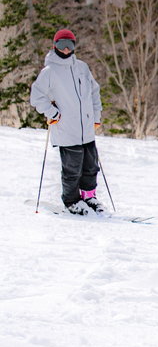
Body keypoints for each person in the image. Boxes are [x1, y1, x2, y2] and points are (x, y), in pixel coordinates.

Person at [30, 29, 105, 215]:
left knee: (90, 166)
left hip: (86, 128)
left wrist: (96, 117)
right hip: (66, 129)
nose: (65, 49)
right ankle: (71, 201)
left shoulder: (82, 67)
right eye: (61, 45)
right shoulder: (49, 72)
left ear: (74, 46)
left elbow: (94, 92)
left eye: (69, 45)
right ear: (54, 46)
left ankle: (89, 197)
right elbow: (36, 96)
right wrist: (52, 113)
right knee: (72, 169)